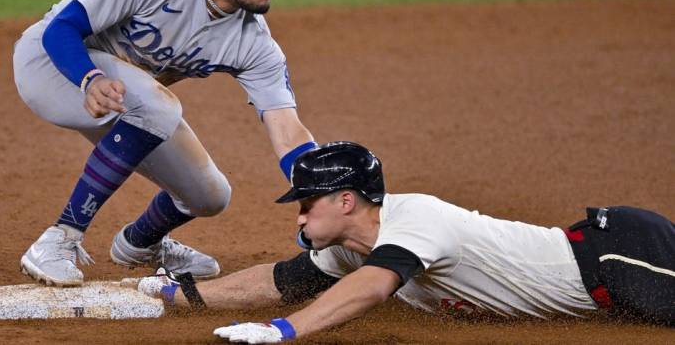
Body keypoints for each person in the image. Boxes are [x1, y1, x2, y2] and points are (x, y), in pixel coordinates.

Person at [12, 0, 320, 287]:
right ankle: (60, 240)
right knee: (159, 106)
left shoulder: (254, 46)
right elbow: (62, 29)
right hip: (53, 65)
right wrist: (89, 79)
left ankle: (140, 244)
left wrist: (322, 186)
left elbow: (286, 127)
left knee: (210, 196)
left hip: (127, 101)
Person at [136, 142, 674, 343]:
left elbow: (374, 286)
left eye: (307, 202)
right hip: (600, 280)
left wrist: (286, 332)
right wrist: (176, 294)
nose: (299, 214)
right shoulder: (346, 247)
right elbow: (282, 282)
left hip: (616, 257)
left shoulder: (415, 219)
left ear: (346, 201)